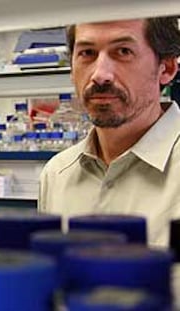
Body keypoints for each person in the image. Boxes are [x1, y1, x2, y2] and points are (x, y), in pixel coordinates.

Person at [39, 16, 180, 247]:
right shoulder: (57, 174)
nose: (100, 75)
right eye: (87, 53)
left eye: (123, 51)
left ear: (167, 68)